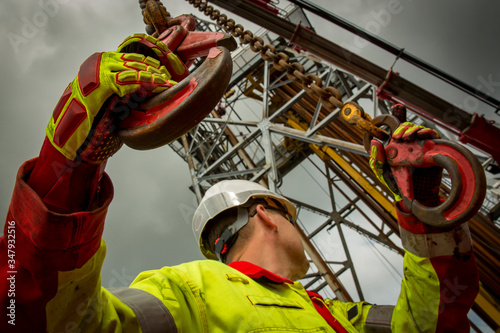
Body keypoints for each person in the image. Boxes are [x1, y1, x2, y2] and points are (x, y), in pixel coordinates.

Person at [0, 34, 478, 333]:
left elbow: (433, 324)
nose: (303, 231)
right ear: (266, 214)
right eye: (294, 217)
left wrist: (428, 215)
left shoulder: (337, 314)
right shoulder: (188, 291)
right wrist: (66, 168)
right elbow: (29, 319)